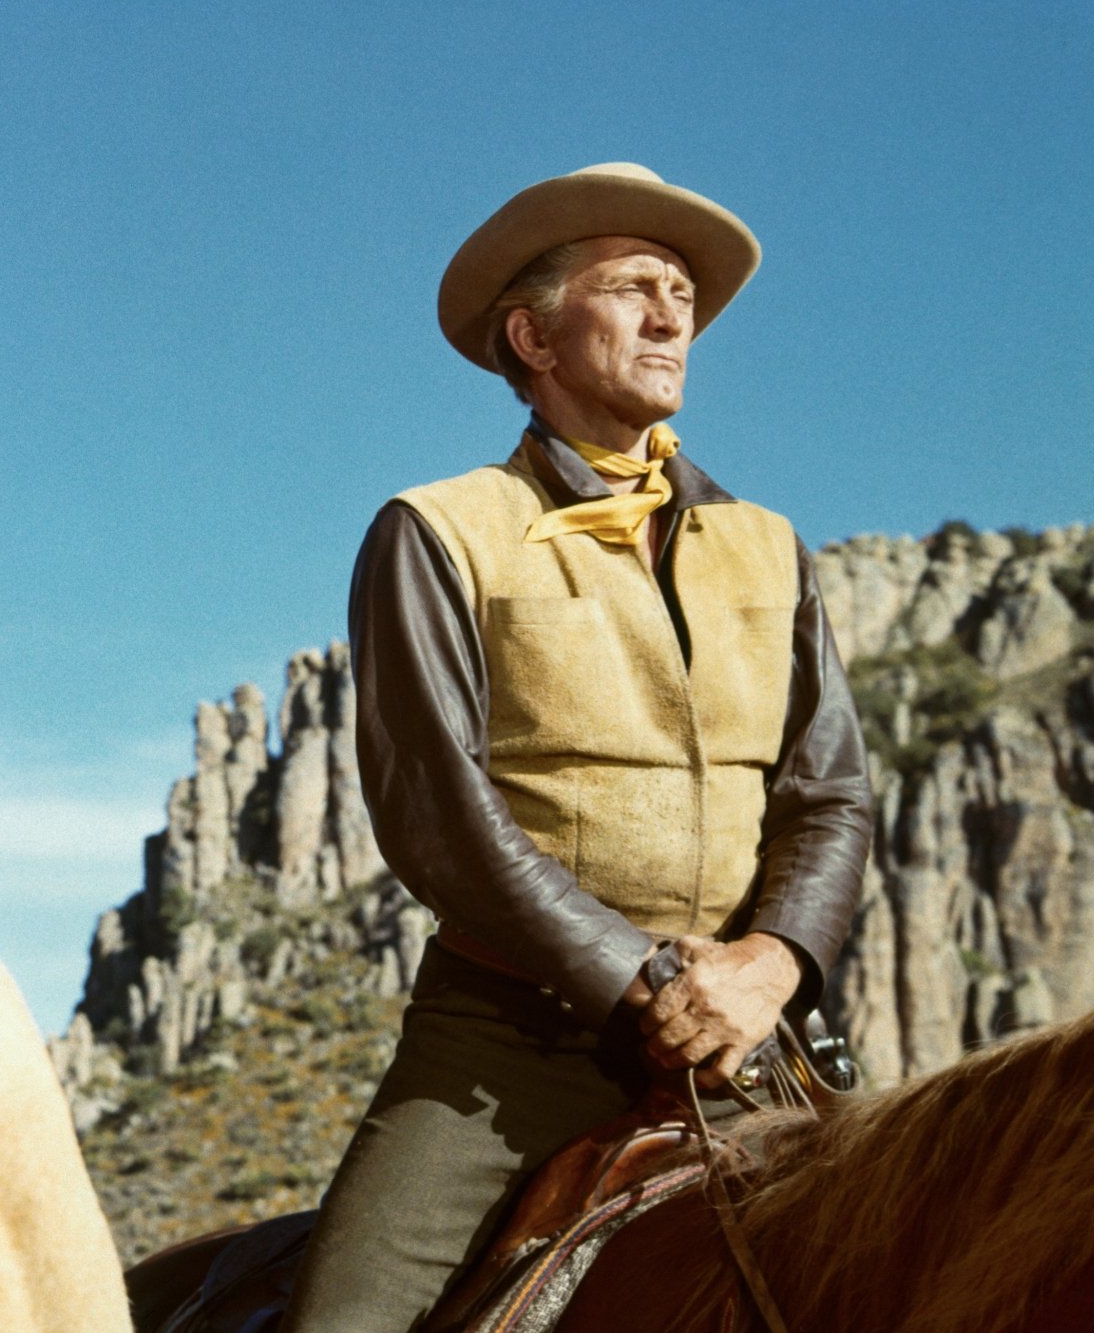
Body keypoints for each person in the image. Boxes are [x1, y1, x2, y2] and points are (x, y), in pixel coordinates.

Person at [280, 163, 873, 1333]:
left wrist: (767, 963)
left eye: (682, 296)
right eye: (633, 287)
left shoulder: (767, 546)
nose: (670, 315)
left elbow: (830, 794)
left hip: (754, 1035)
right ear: (532, 336)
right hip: (508, 1045)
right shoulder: (438, 530)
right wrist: (641, 981)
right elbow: (438, 817)